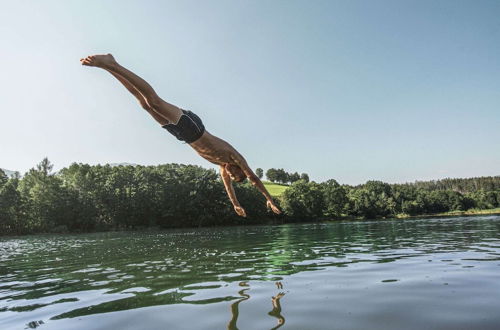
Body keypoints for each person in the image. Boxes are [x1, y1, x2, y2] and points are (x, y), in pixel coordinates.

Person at [80, 54, 281, 217]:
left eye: (233, 177)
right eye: (236, 175)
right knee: (154, 102)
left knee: (144, 106)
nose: (231, 175)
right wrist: (269, 199)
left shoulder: (222, 167)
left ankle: (108, 68)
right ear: (240, 170)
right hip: (194, 128)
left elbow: (229, 189)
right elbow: (253, 178)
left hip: (182, 136)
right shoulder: (234, 156)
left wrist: (235, 204)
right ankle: (113, 64)